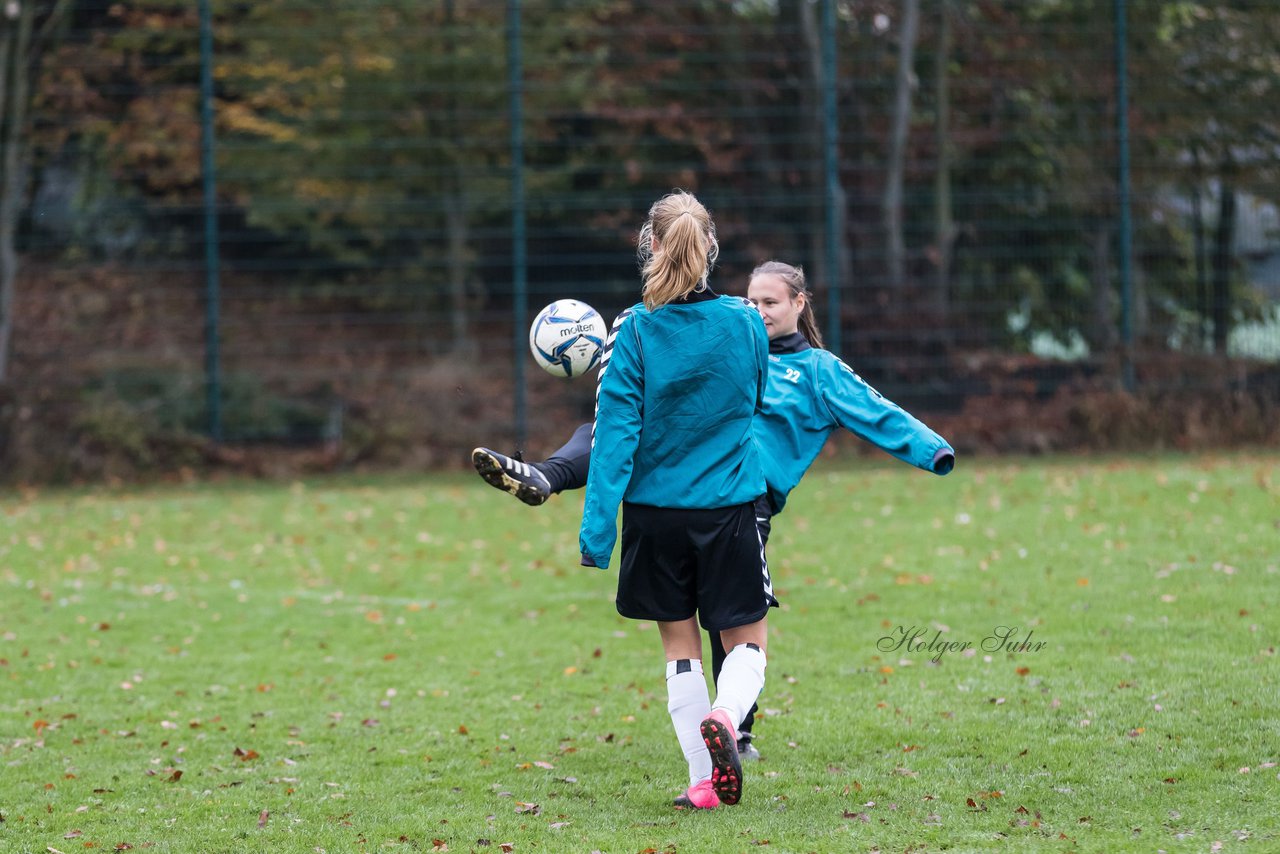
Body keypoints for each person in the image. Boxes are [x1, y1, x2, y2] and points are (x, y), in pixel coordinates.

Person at [473, 258, 955, 806]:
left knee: (712, 627)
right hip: (714, 495)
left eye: (771, 301)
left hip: (723, 495)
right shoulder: (732, 335)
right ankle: (731, 726)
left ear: (801, 304)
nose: (759, 310)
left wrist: (930, 448)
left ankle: (723, 745)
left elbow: (877, 410)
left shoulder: (816, 369)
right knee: (736, 623)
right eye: (753, 300)